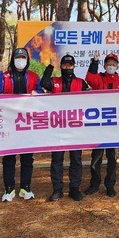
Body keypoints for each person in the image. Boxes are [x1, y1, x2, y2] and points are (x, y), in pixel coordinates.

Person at [0, 47, 42, 202]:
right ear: (13, 60)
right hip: (9, 122)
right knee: (9, 157)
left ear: (27, 60)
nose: (20, 60)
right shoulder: (5, 75)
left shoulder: (34, 76)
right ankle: (9, 188)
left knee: (27, 157)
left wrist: (38, 93)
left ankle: (26, 187)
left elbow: (40, 92)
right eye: (18, 58)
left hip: (27, 122)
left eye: (23, 58)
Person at [41, 54, 91, 202]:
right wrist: (50, 67)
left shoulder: (81, 82)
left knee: (76, 159)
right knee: (57, 159)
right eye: (65, 65)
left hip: (75, 127)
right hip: (57, 127)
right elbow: (44, 83)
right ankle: (57, 189)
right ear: (61, 66)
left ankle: (74, 189)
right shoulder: (54, 81)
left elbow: (89, 100)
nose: (67, 67)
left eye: (70, 65)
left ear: (74, 66)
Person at [84, 52, 119, 197]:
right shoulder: (99, 78)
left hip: (114, 125)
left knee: (112, 157)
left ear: (117, 66)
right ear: (104, 65)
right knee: (96, 156)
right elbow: (89, 78)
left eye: (113, 64)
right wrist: (94, 62)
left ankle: (110, 185)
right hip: (99, 125)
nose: (111, 66)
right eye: (108, 64)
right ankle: (95, 183)